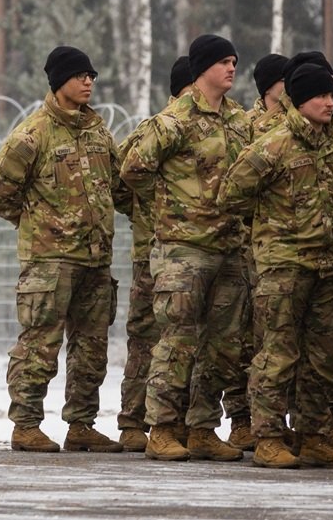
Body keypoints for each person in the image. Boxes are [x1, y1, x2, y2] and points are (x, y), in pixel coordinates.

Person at [0, 46, 130, 453]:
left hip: (95, 259)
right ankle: (26, 424)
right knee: (39, 345)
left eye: (92, 75)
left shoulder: (98, 132)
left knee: (92, 349)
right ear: (59, 81)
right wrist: (40, 225)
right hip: (50, 262)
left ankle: (81, 424)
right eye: (80, 75)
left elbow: (118, 188)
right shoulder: (33, 135)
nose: (88, 82)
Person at [120, 34, 253, 462]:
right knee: (176, 341)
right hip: (183, 249)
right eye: (223, 62)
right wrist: (172, 206)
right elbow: (133, 169)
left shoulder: (238, 119)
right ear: (202, 69)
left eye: (234, 61)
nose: (232, 69)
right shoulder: (174, 120)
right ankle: (161, 427)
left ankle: (202, 428)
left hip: (228, 247)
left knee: (223, 345)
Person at [218, 62, 333, 469]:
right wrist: (272, 225)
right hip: (284, 267)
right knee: (277, 353)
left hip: (329, 265)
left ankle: (312, 434)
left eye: (332, 95)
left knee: (323, 356)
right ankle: (268, 435)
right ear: (301, 100)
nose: (329, 102)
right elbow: (231, 194)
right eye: (322, 95)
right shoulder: (275, 144)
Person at [115, 56, 193, 453]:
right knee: (146, 338)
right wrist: (150, 210)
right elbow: (120, 179)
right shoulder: (156, 130)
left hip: (191, 251)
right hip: (152, 251)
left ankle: (181, 421)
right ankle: (132, 421)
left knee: (186, 339)